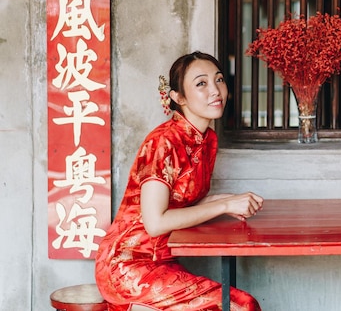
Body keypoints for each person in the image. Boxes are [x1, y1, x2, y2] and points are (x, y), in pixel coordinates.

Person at [95, 51, 264, 311]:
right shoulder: (164, 141)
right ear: (178, 97)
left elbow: (181, 204)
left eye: (219, 80)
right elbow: (155, 222)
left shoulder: (207, 140)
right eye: (201, 83)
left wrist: (226, 200)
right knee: (241, 306)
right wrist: (224, 207)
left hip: (162, 259)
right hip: (128, 264)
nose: (215, 90)